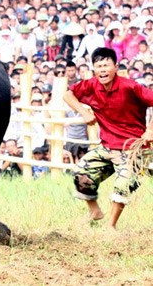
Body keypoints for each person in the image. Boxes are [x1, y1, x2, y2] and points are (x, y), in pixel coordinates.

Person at [63, 47, 153, 229]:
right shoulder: (90, 85)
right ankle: (95, 211)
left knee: (123, 184)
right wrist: (83, 112)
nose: (103, 70)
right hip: (107, 147)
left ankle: (110, 226)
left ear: (116, 67)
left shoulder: (130, 86)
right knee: (81, 174)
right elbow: (67, 94)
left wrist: (150, 130)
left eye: (106, 65)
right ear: (94, 69)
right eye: (99, 66)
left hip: (134, 148)